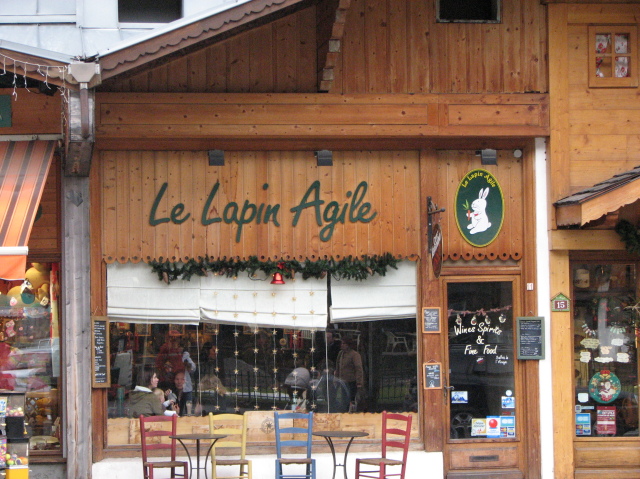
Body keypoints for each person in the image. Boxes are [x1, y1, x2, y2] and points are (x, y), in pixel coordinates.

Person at [334, 337, 364, 407]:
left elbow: (358, 368)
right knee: (344, 399)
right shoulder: (340, 353)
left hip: (351, 381)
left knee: (351, 399)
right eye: (341, 343)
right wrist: (336, 378)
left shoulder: (354, 355)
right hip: (342, 381)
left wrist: (359, 382)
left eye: (344, 343)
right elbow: (338, 366)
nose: (342, 345)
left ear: (348, 345)